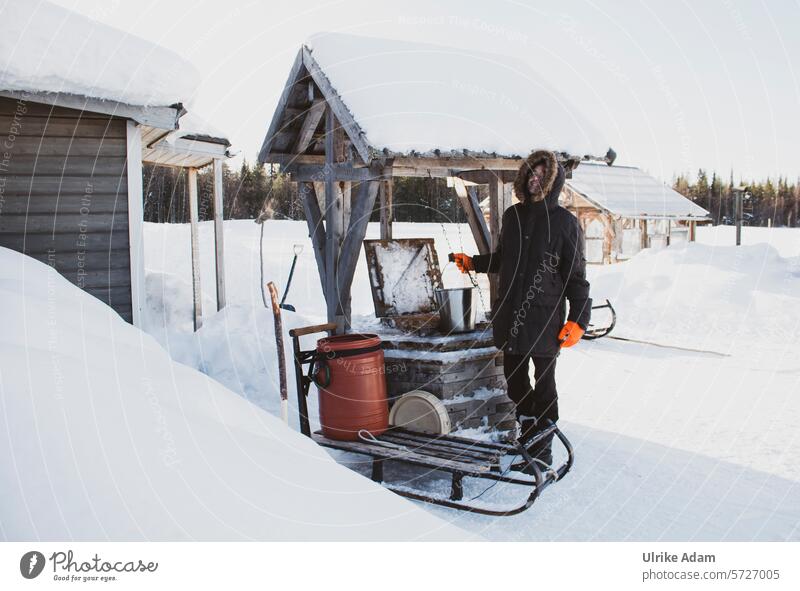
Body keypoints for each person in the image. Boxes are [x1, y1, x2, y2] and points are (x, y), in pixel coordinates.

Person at [451, 150, 591, 466]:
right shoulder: (513, 217)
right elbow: (502, 259)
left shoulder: (566, 224)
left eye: (541, 175)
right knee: (515, 383)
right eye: (530, 173)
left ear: (554, 182)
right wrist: (474, 262)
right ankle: (529, 436)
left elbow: (576, 278)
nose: (534, 179)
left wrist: (579, 320)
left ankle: (541, 453)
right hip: (511, 315)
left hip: (545, 320)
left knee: (545, 387)